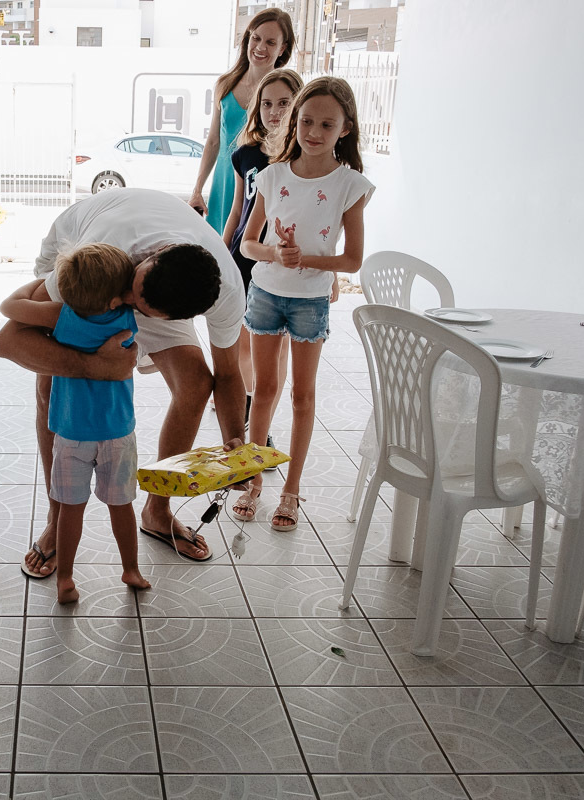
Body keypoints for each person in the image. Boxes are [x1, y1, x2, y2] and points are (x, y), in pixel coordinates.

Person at [0, 188, 247, 577]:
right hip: (96, 254)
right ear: (153, 257)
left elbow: (228, 375)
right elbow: (9, 341)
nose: (122, 302)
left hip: (154, 287)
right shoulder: (97, 263)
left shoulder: (224, 292)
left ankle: (157, 511)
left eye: (138, 307)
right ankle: (56, 518)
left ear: (176, 317)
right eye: (132, 292)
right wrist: (94, 365)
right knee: (51, 388)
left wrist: (236, 445)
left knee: (195, 383)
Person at [237, 77, 375, 530]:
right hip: (264, 295)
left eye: (326, 124)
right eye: (306, 120)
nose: (313, 131)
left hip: (310, 301)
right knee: (264, 391)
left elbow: (352, 260)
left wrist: (306, 259)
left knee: (302, 395)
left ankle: (291, 492)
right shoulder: (272, 175)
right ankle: (254, 482)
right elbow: (249, 246)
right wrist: (277, 253)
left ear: (345, 130)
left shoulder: (350, 185)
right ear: (294, 121)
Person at [0, 244, 152, 603]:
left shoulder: (62, 316)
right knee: (122, 506)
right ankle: (130, 568)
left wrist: (39, 282)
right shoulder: (127, 317)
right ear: (117, 298)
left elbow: (8, 307)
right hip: (117, 433)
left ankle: (65, 579)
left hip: (71, 434)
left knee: (69, 511)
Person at [221, 68, 304, 489]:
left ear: (299, 105)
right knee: (239, 347)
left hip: (283, 266)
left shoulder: (303, 157)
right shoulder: (245, 155)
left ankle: (261, 423)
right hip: (244, 257)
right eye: (267, 103)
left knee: (273, 350)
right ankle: (247, 419)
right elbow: (237, 212)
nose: (274, 111)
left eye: (284, 103)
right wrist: (222, 252)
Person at [188, 8, 295, 234]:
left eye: (270, 42)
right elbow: (214, 142)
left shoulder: (287, 91)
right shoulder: (225, 84)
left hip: (259, 183)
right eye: (255, 38)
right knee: (218, 252)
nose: (260, 47)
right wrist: (197, 189)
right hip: (224, 182)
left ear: (282, 48)